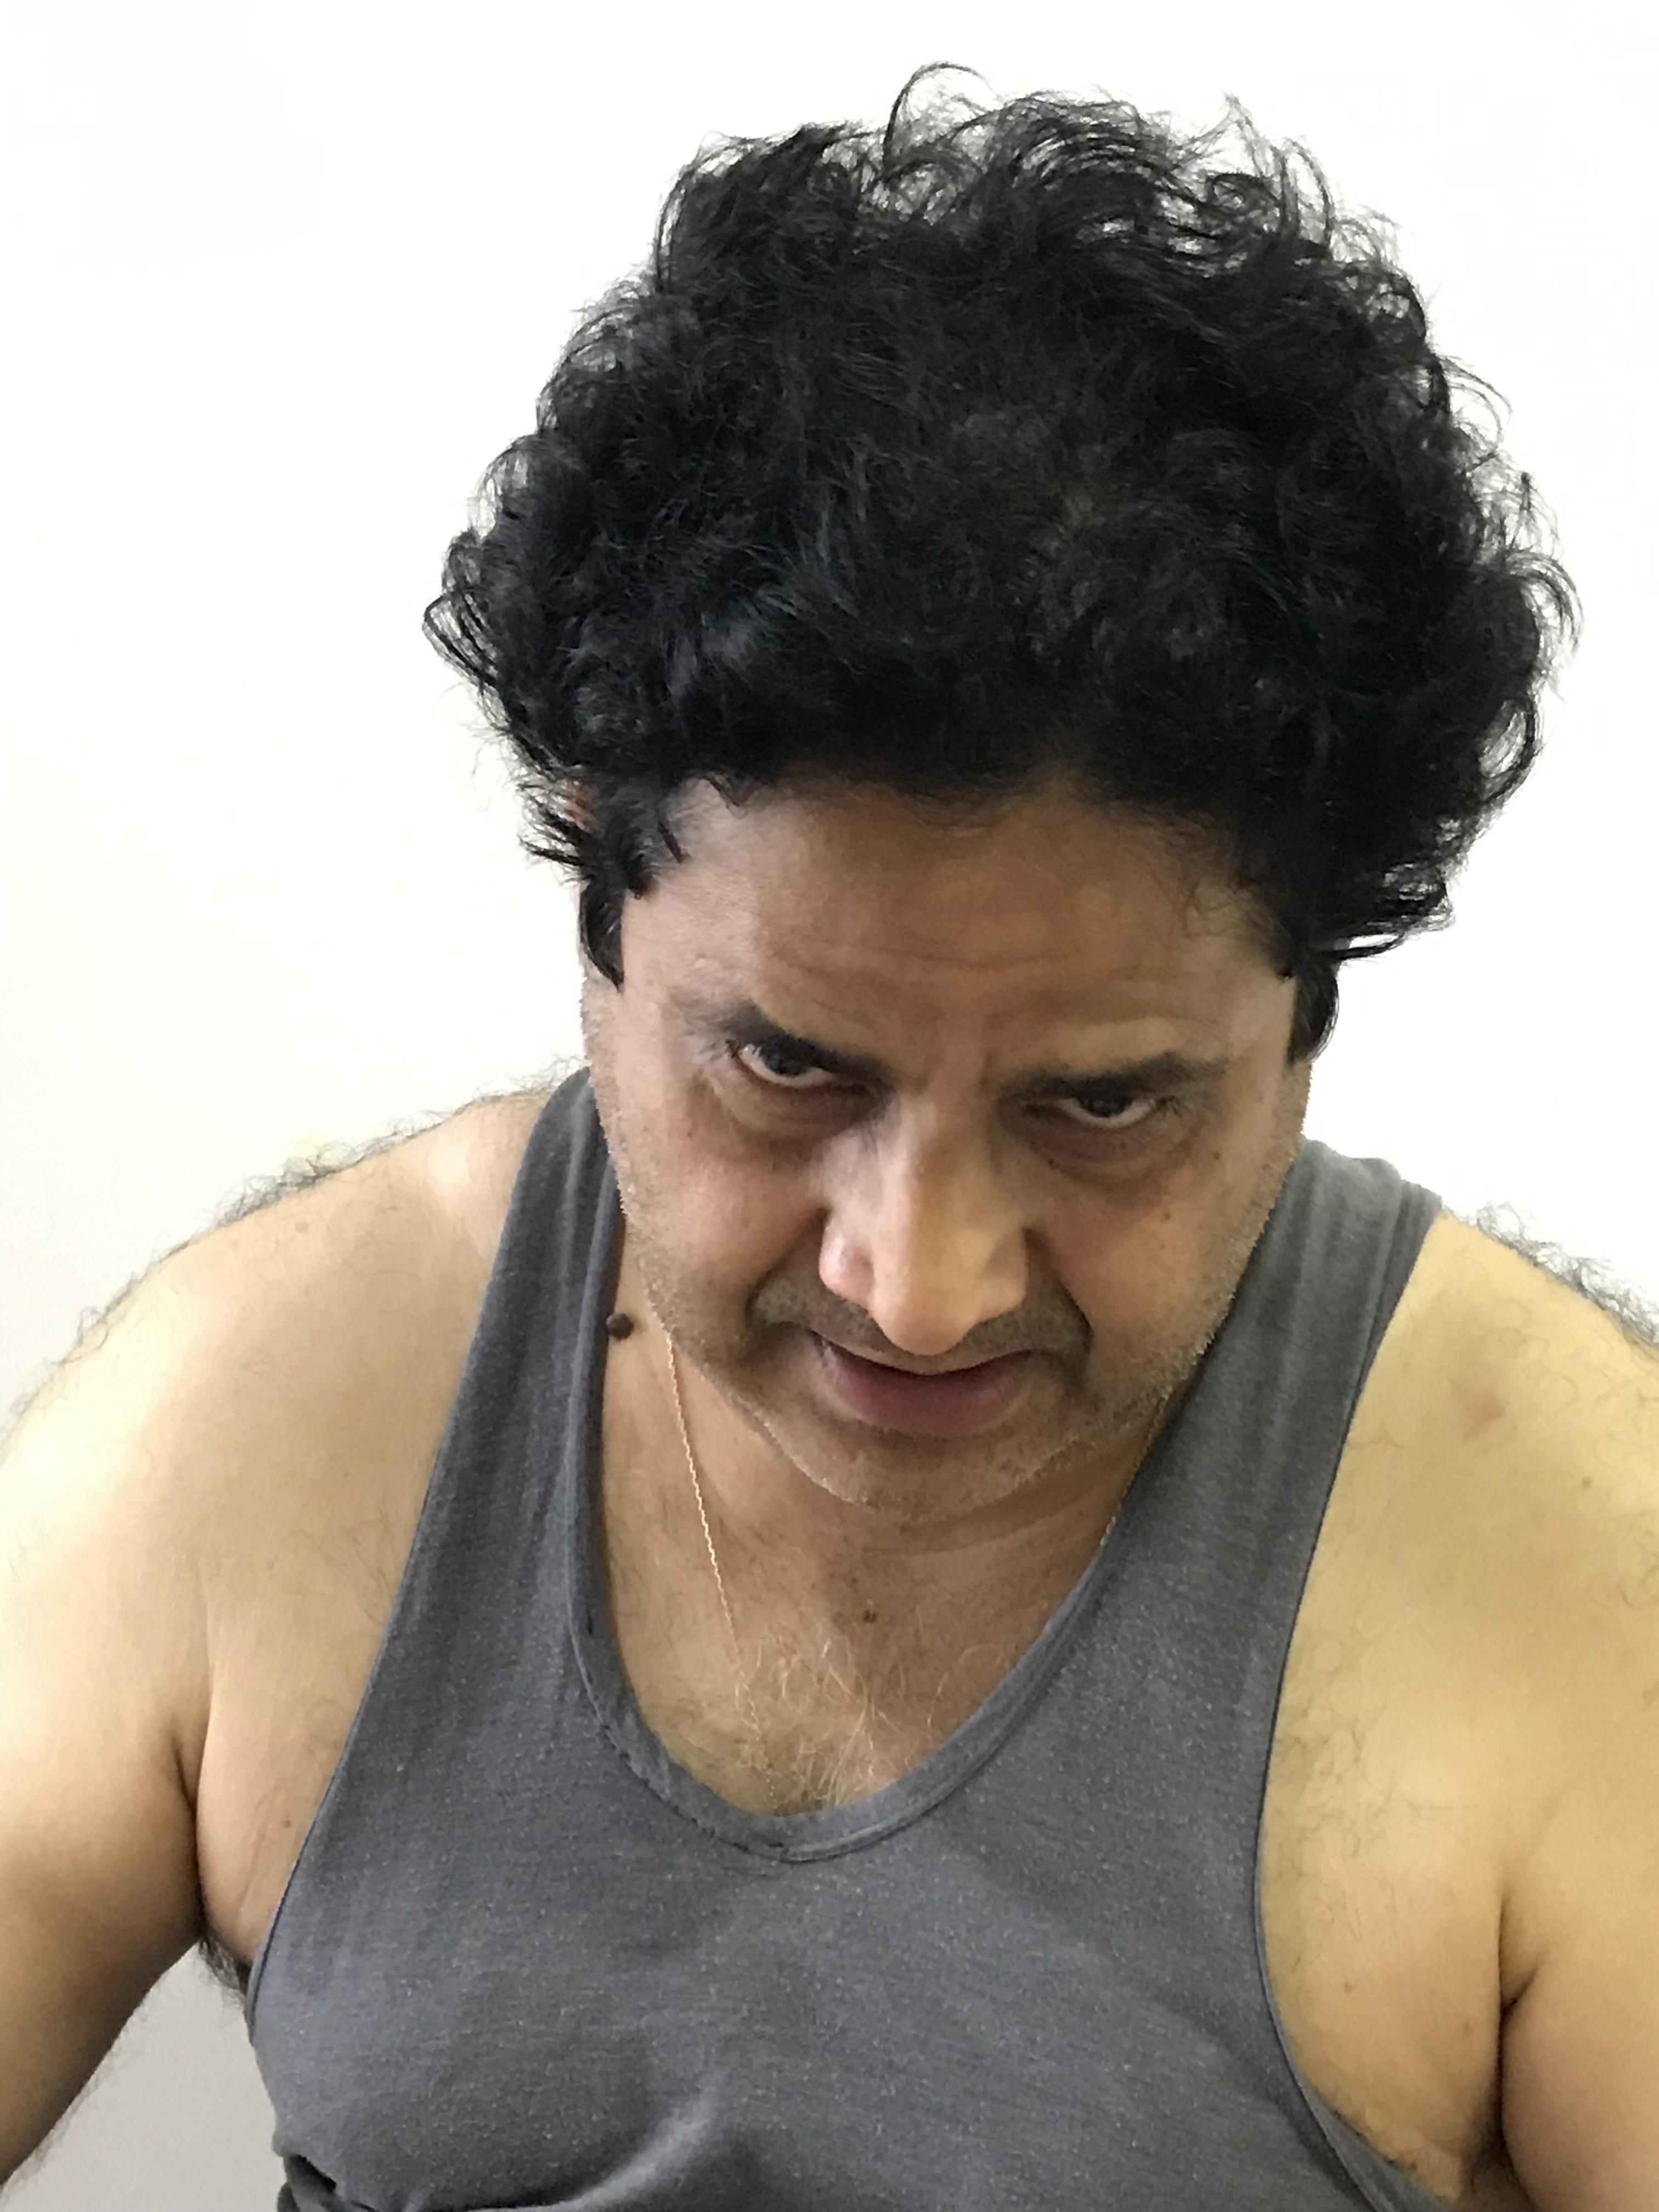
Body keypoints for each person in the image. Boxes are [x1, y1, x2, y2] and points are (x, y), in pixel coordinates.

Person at [3, 66, 1655, 2212]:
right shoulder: (263, 1420)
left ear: (1311, 1006)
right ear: (594, 891)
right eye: (789, 1070)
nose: (918, 1280)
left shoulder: (1580, 1567)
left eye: (1101, 1105)